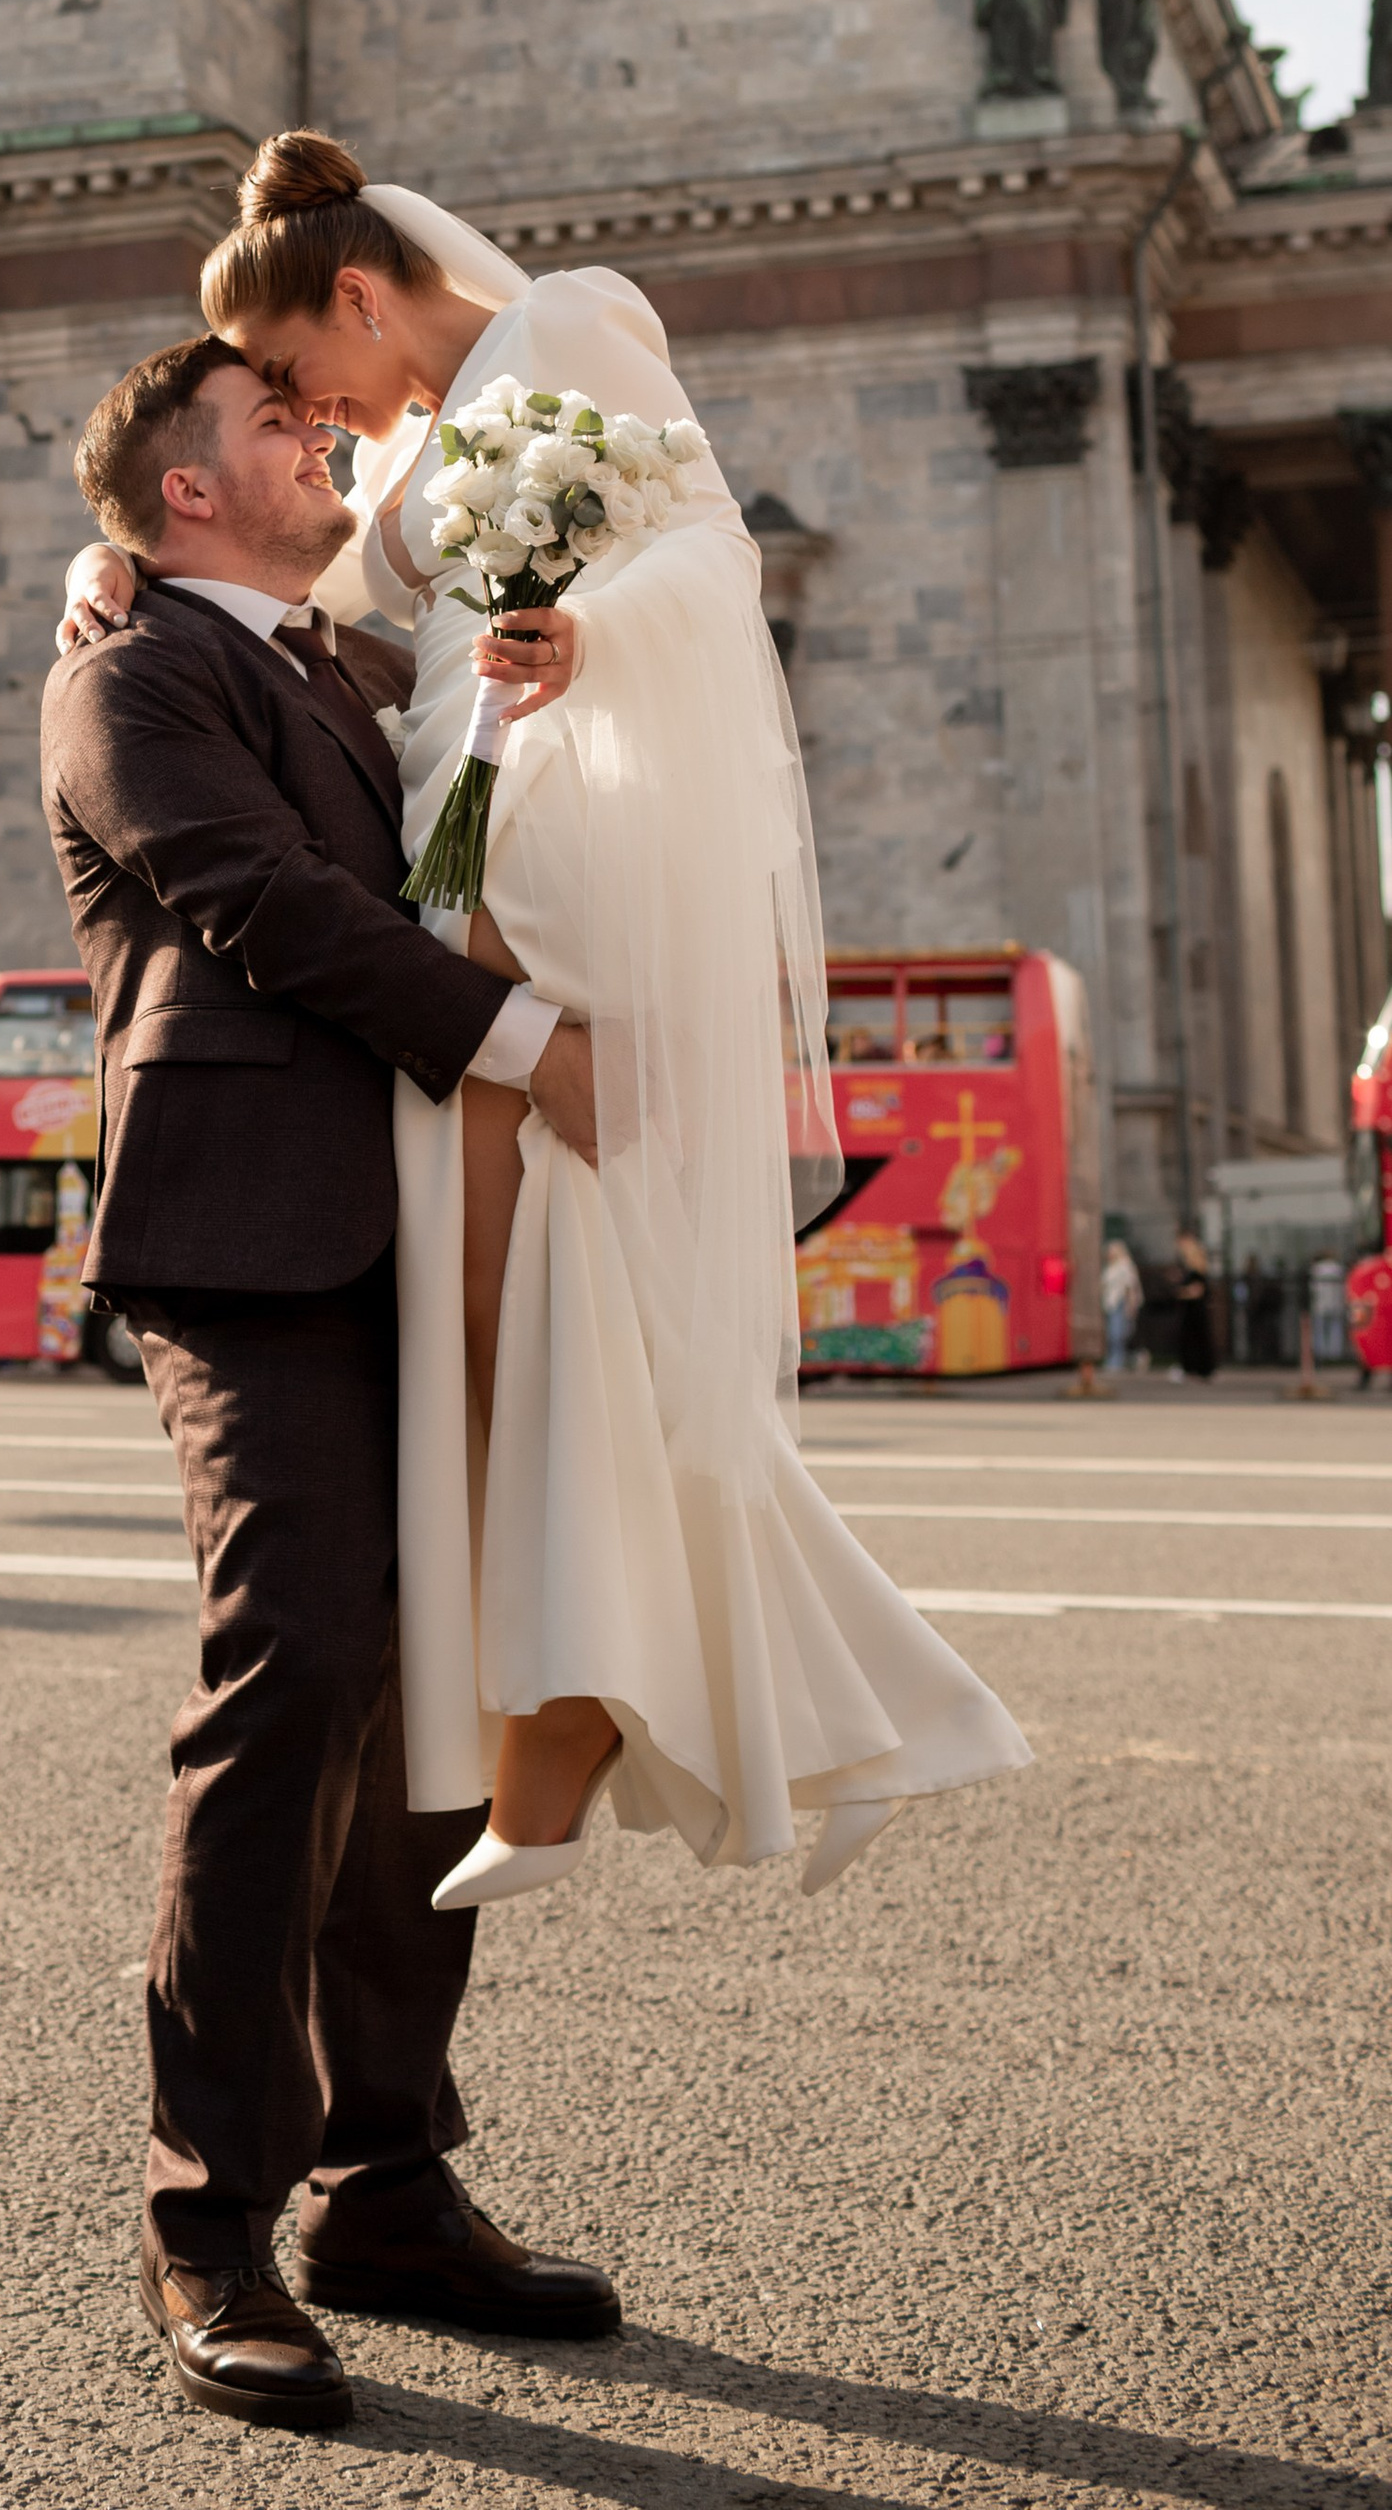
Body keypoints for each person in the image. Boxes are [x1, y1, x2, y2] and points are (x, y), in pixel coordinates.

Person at [63, 132, 1027, 1918]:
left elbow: (712, 560)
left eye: (298, 376)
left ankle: (609, 1717)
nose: (311, 416)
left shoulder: (572, 326)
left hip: (548, 824)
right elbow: (300, 615)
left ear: (356, 296)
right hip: (457, 824)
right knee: (550, 1304)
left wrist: (580, 635)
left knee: (533, 1294)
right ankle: (743, 1709)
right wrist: (107, 571)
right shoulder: (417, 442)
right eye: (277, 407)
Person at [42, 334, 620, 2433]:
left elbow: (468, 846)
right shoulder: (124, 675)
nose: (331, 445)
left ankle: (383, 2182)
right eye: (282, 430)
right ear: (183, 492)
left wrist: (535, 691)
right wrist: (522, 1044)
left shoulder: (361, 684)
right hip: (252, 1239)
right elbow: (266, 909)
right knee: (292, 1670)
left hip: (430, 1231)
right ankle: (207, 2222)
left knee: (433, 1691)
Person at [1171, 1225, 1218, 1379]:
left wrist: (1181, 1292)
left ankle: (1200, 1369)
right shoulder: (1191, 1271)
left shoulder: (1197, 1272)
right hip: (1191, 1310)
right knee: (1192, 1340)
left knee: (1196, 1340)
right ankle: (1193, 1368)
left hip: (1195, 1310)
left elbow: (1197, 1291)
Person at [1101, 1233, 1144, 1374]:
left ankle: (1118, 1361)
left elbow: (1130, 1286)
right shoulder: (1110, 1267)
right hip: (1111, 1303)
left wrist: (1131, 1306)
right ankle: (1124, 1358)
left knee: (1117, 1334)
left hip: (1121, 1303)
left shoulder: (1125, 1265)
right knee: (1115, 1334)